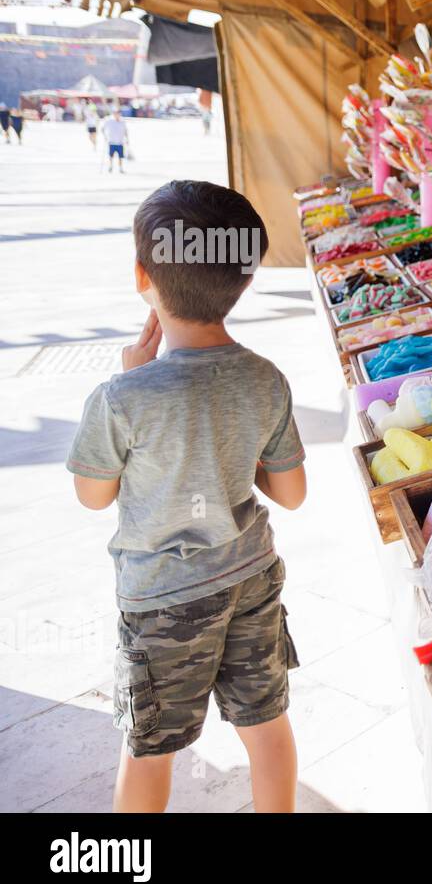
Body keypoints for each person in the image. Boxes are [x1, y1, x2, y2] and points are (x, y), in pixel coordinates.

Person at [67, 181, 306, 813]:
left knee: (150, 750)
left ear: (142, 275)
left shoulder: (122, 399)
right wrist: (233, 447)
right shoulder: (266, 379)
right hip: (251, 579)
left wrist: (132, 377)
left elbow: (93, 496)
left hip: (162, 603)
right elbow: (292, 493)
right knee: (267, 727)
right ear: (247, 279)